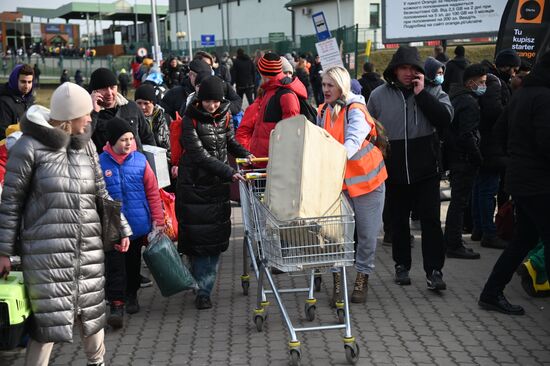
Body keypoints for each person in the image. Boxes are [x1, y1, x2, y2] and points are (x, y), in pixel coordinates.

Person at [0, 82, 131, 366]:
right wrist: (4, 252)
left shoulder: (87, 148)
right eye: (85, 114)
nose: (89, 119)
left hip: (88, 251)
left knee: (93, 320)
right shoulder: (28, 148)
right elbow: (11, 204)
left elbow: (101, 192)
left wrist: (120, 228)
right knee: (47, 325)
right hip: (47, 254)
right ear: (69, 116)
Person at [367, 46, 453, 290]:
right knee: (398, 221)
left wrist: (421, 93)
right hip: (393, 171)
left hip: (427, 169)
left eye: (413, 69)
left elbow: (445, 120)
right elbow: (369, 130)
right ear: (394, 69)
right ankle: (401, 265)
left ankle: (434, 270)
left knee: (431, 221)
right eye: (403, 68)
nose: (408, 73)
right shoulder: (378, 95)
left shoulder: (434, 91)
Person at [478, 51, 550, 315]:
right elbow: (546, 143)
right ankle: (491, 292)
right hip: (540, 184)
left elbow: (499, 131)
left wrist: (514, 159)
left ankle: (491, 292)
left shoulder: (523, 94)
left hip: (522, 181)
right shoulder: (544, 98)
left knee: (524, 239)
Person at [176, 76, 252, 309]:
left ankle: (203, 288)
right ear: (200, 99)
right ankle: (201, 287)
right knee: (198, 242)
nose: (212, 106)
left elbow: (229, 141)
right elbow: (199, 155)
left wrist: (245, 154)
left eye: (216, 102)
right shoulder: (190, 120)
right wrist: (228, 172)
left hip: (216, 187)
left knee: (214, 240)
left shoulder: (225, 115)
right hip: (195, 187)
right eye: (208, 101)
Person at [317, 66, 387, 305]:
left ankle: (362, 277)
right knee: (336, 236)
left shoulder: (356, 110)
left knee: (367, 235)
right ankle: (337, 281)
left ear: (342, 86)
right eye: (324, 85)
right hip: (339, 185)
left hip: (368, 182)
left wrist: (333, 158)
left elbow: (353, 142)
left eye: (330, 85)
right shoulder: (322, 111)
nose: (326, 90)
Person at [99, 117, 164, 320]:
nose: (128, 143)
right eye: (123, 140)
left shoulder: (140, 161)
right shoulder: (100, 163)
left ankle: (132, 294)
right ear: (111, 141)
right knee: (114, 265)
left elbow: (153, 192)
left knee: (132, 263)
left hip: (136, 224)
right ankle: (116, 301)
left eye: (130, 139)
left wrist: (158, 219)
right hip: (112, 226)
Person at [473, 49, 521, 248]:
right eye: (513, 69)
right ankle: (489, 233)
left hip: (485, 143)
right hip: (492, 145)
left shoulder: (489, 79)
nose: (514, 74)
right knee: (488, 190)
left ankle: (479, 229)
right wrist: (511, 111)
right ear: (506, 66)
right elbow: (493, 111)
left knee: (481, 188)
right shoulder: (494, 82)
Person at [443, 64, 488, 260]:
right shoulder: (469, 102)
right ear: (471, 83)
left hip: (455, 157)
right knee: (459, 203)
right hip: (464, 159)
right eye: (482, 82)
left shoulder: (456, 97)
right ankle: (454, 244)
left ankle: (453, 241)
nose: (484, 86)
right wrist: (478, 157)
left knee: (457, 202)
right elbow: (466, 134)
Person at [235, 52, 307, 159]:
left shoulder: (285, 95)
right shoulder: (269, 91)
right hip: (262, 160)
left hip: (273, 163)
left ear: (262, 73)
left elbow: (290, 135)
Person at [89, 67, 156, 153]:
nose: (109, 93)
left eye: (112, 87)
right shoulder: (88, 114)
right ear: (94, 91)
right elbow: (82, 141)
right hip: (106, 165)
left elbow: (147, 137)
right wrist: (94, 113)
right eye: (104, 89)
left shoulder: (132, 107)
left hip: (136, 164)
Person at [161, 58, 242, 120]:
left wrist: (218, 108)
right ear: (190, 75)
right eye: (198, 77)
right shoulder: (174, 93)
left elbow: (237, 102)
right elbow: (163, 113)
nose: (203, 82)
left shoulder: (221, 86)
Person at [134, 83, 171, 158]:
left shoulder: (166, 118)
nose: (143, 107)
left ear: (153, 103)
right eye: (139, 103)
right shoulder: (132, 120)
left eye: (146, 103)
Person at [0, 64, 34, 139]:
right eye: (23, 82)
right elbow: (3, 133)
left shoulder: (30, 99)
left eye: (29, 82)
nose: (26, 86)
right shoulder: (4, 102)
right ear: (15, 80)